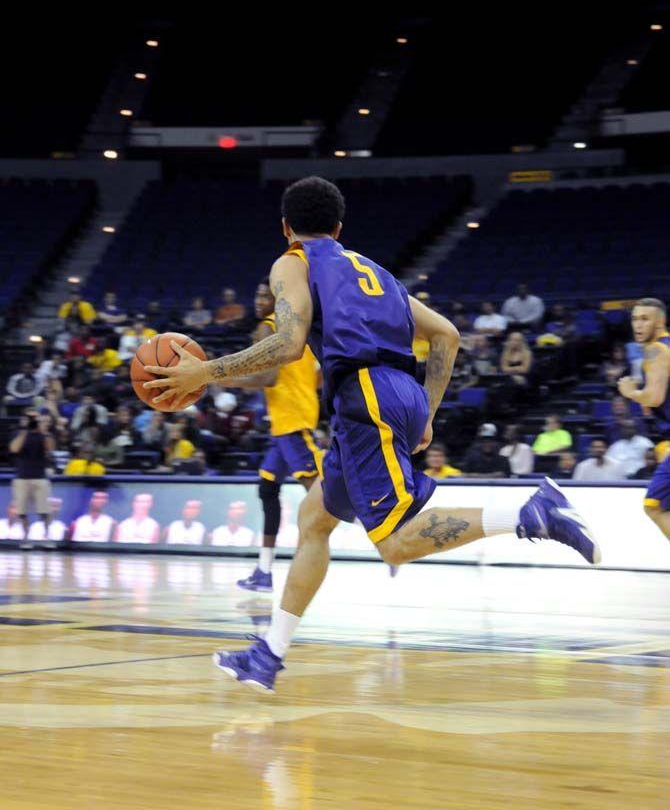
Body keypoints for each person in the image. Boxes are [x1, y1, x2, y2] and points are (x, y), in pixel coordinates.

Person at [143, 175, 599, 692]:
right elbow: (446, 335)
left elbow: (289, 344)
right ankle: (267, 654)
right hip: (392, 392)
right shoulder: (374, 271)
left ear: (286, 227)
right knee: (313, 518)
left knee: (396, 544)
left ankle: (529, 513)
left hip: (366, 397)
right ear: (338, 228)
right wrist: (425, 410)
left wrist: (206, 372)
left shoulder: (291, 262)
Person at [214, 278, 322, 592]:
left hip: (290, 421)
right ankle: (263, 572)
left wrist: (225, 380)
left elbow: (268, 376)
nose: (260, 300)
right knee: (267, 489)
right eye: (258, 294)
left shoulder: (267, 327)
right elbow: (317, 377)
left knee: (320, 496)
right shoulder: (301, 330)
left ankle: (383, 535)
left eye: (267, 295)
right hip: (288, 420)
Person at [616, 298, 670, 536]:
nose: (637, 325)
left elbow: (654, 398)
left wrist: (632, 393)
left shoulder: (656, 349)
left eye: (644, 319)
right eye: (635, 318)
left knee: (654, 506)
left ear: (660, 322)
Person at [8, 410, 55, 538]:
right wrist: (24, 431)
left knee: (44, 511)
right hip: (21, 477)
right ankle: (26, 534)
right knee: (21, 512)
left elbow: (50, 450)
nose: (32, 422)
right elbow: (14, 449)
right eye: (29, 419)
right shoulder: (18, 434)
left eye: (34, 419)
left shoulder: (43, 435)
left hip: (40, 477)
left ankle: (46, 534)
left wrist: (44, 431)